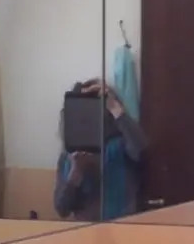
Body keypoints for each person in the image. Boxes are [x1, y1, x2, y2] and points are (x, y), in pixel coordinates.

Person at [53, 79, 147, 221]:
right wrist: (75, 175)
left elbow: (141, 150)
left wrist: (115, 108)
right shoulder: (67, 156)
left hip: (123, 227)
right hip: (84, 230)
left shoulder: (120, 145)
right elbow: (62, 209)